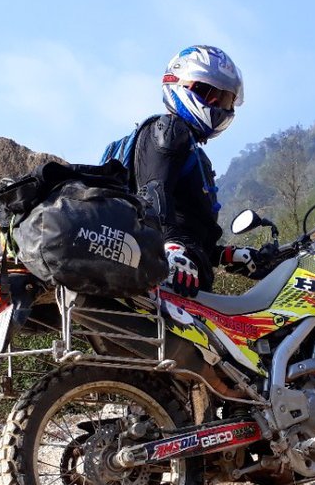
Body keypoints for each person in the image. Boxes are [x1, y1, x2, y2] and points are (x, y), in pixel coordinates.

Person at [108, 45, 271, 297]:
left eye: (224, 99)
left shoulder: (193, 151)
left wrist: (230, 255)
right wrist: (171, 249)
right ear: (181, 85)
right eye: (208, 94)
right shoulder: (169, 129)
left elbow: (192, 233)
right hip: (164, 284)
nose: (217, 105)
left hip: (185, 283)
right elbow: (152, 194)